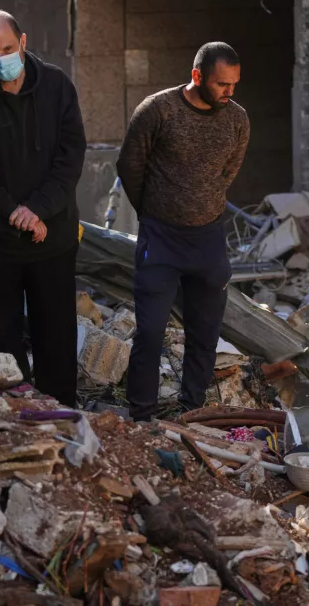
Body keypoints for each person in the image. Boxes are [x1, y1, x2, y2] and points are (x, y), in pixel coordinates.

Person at [0, 10, 86, 407]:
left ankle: (61, 411)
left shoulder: (57, 86)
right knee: (1, 336)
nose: (1, 58)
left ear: (23, 41)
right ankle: (14, 413)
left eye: (7, 49)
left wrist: (39, 210)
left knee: (56, 334)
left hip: (54, 235)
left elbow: (70, 158)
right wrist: (16, 214)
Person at [117, 42, 250, 422]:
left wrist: (200, 204)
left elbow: (228, 172)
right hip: (160, 238)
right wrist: (154, 210)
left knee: (205, 333)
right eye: (222, 84)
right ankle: (141, 417)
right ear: (196, 76)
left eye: (234, 84)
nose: (229, 91)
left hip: (208, 239)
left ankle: (192, 412)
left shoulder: (238, 119)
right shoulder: (158, 110)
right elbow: (129, 165)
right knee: (150, 332)